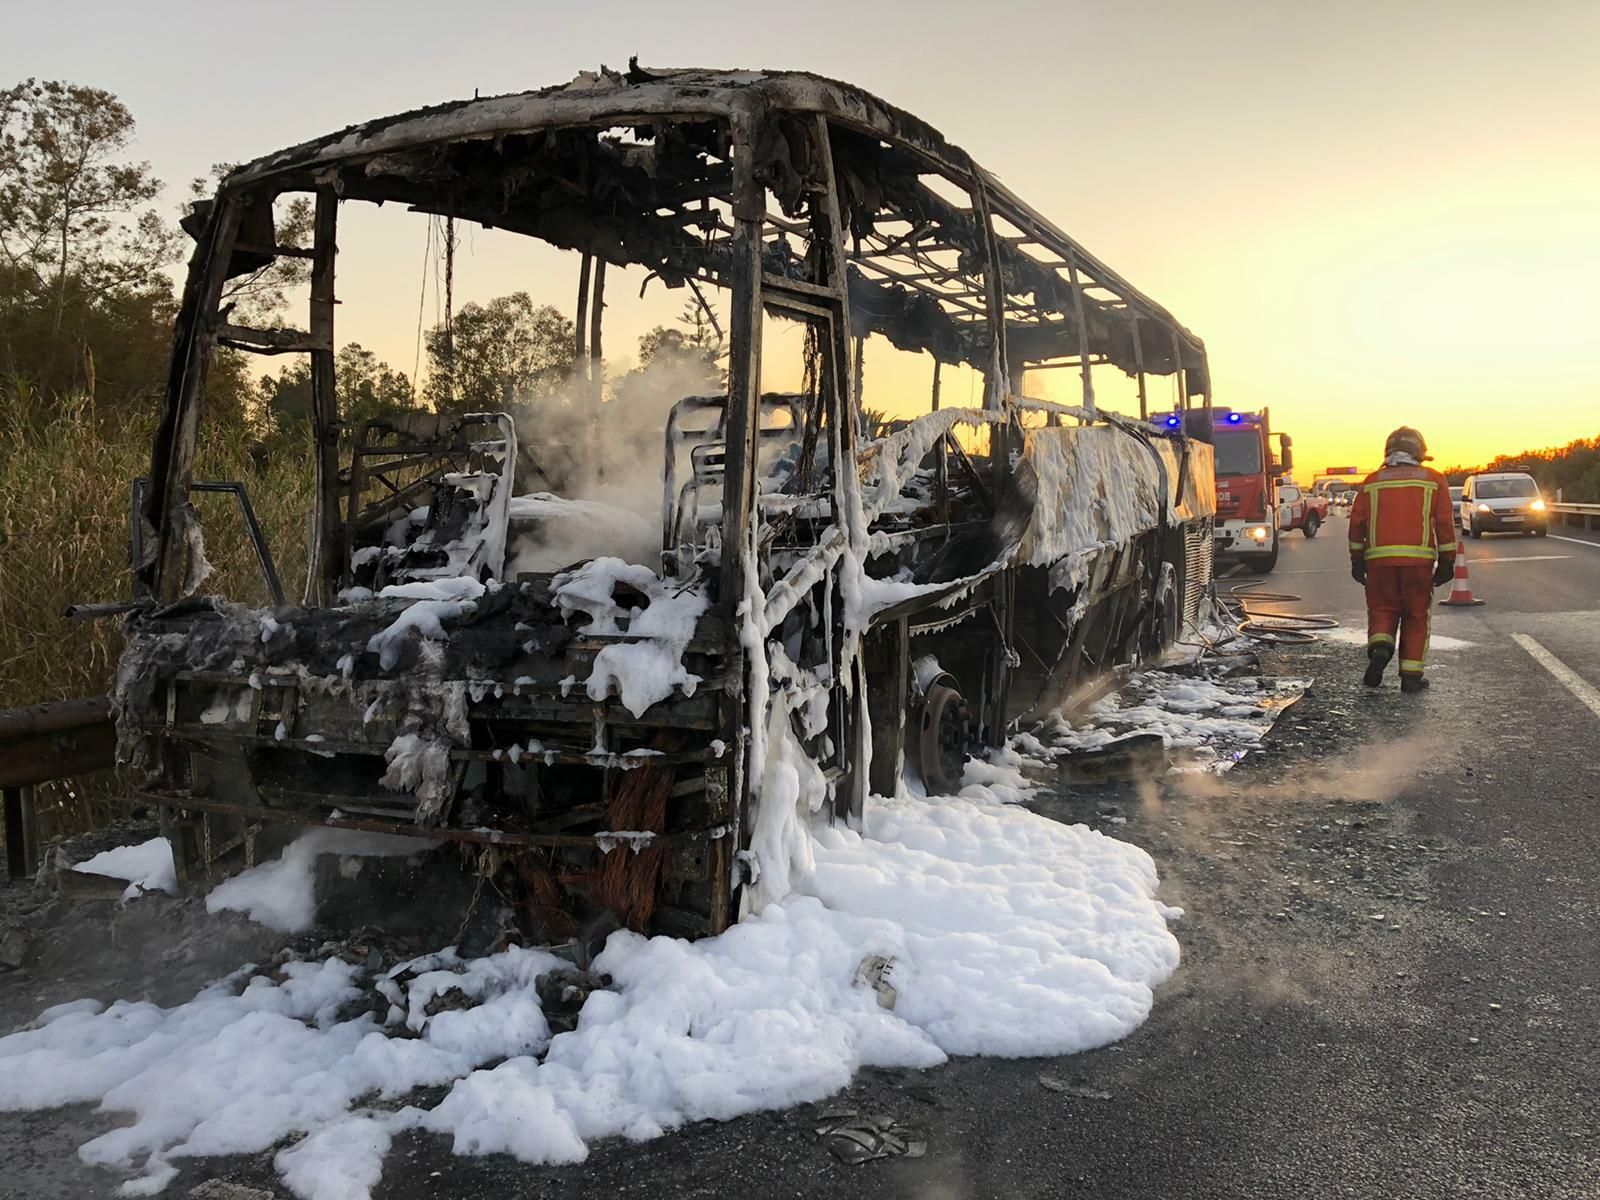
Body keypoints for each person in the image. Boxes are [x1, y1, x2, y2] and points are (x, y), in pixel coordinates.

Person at [1347, 427, 1457, 693]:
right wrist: (1447, 561)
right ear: (1419, 451)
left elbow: (1357, 523)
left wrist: (1357, 559)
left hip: (1378, 565)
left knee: (1382, 610)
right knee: (1416, 616)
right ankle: (1411, 677)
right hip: (1418, 565)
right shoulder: (1433, 480)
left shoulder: (1372, 482)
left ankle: (1381, 649)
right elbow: (1444, 523)